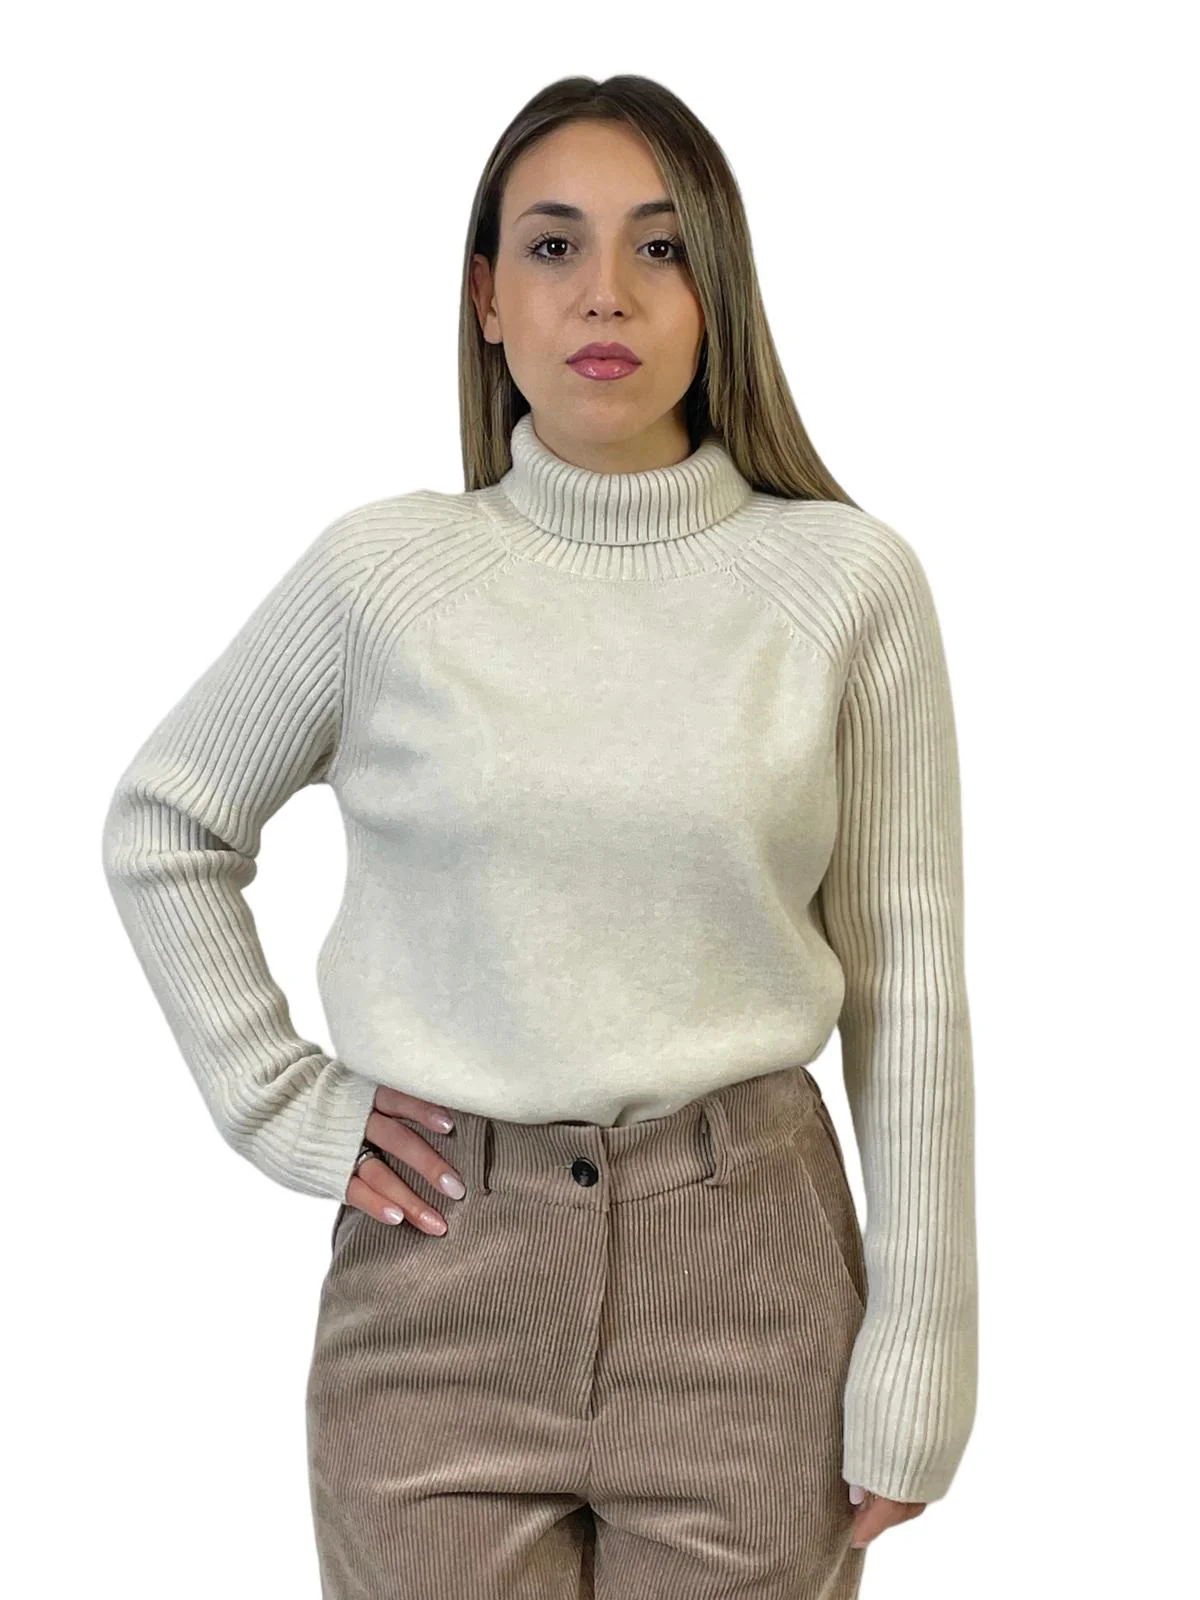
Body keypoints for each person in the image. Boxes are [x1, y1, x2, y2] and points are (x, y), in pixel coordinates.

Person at [101, 73, 977, 1600]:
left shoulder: (844, 585)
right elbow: (166, 822)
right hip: (439, 1284)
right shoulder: (383, 578)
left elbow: (909, 988)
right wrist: (280, 1102)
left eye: (661, 246)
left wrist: (924, 1341)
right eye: (555, 245)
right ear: (488, 298)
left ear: (718, 291)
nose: (606, 293)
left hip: (751, 1291)